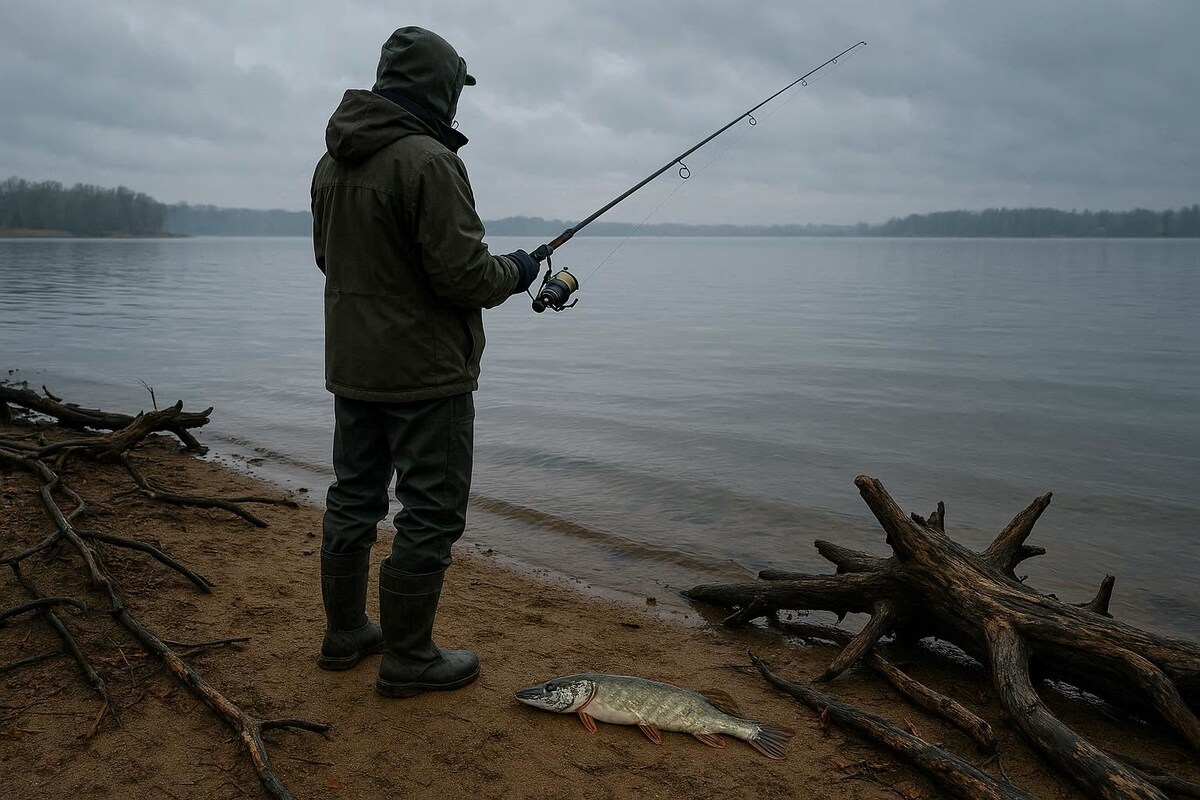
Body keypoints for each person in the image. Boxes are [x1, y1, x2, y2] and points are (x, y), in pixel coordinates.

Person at [310, 26, 539, 698]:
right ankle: (409, 658)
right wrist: (519, 270)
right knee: (431, 512)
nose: (458, 99)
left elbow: (328, 259)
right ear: (438, 86)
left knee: (353, 499)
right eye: (455, 87)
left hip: (354, 367)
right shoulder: (430, 162)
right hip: (426, 376)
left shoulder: (331, 162)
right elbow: (466, 278)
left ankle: (345, 635)